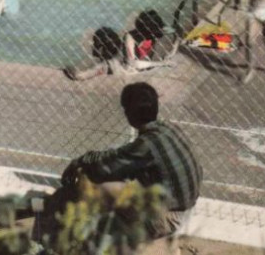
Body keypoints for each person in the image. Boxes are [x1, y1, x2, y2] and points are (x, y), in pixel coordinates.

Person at [36, 83, 201, 242]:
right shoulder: (168, 129)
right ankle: (53, 212)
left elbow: (105, 166)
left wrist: (80, 162)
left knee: (94, 188)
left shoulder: (147, 145)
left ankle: (49, 229)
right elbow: (120, 159)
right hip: (180, 208)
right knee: (109, 182)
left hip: (165, 218)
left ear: (129, 113)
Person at [65, 10, 172, 80]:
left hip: (134, 68)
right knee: (107, 65)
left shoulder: (151, 37)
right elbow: (134, 63)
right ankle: (81, 75)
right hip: (129, 67)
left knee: (107, 64)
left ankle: (82, 74)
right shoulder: (130, 37)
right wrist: (160, 64)